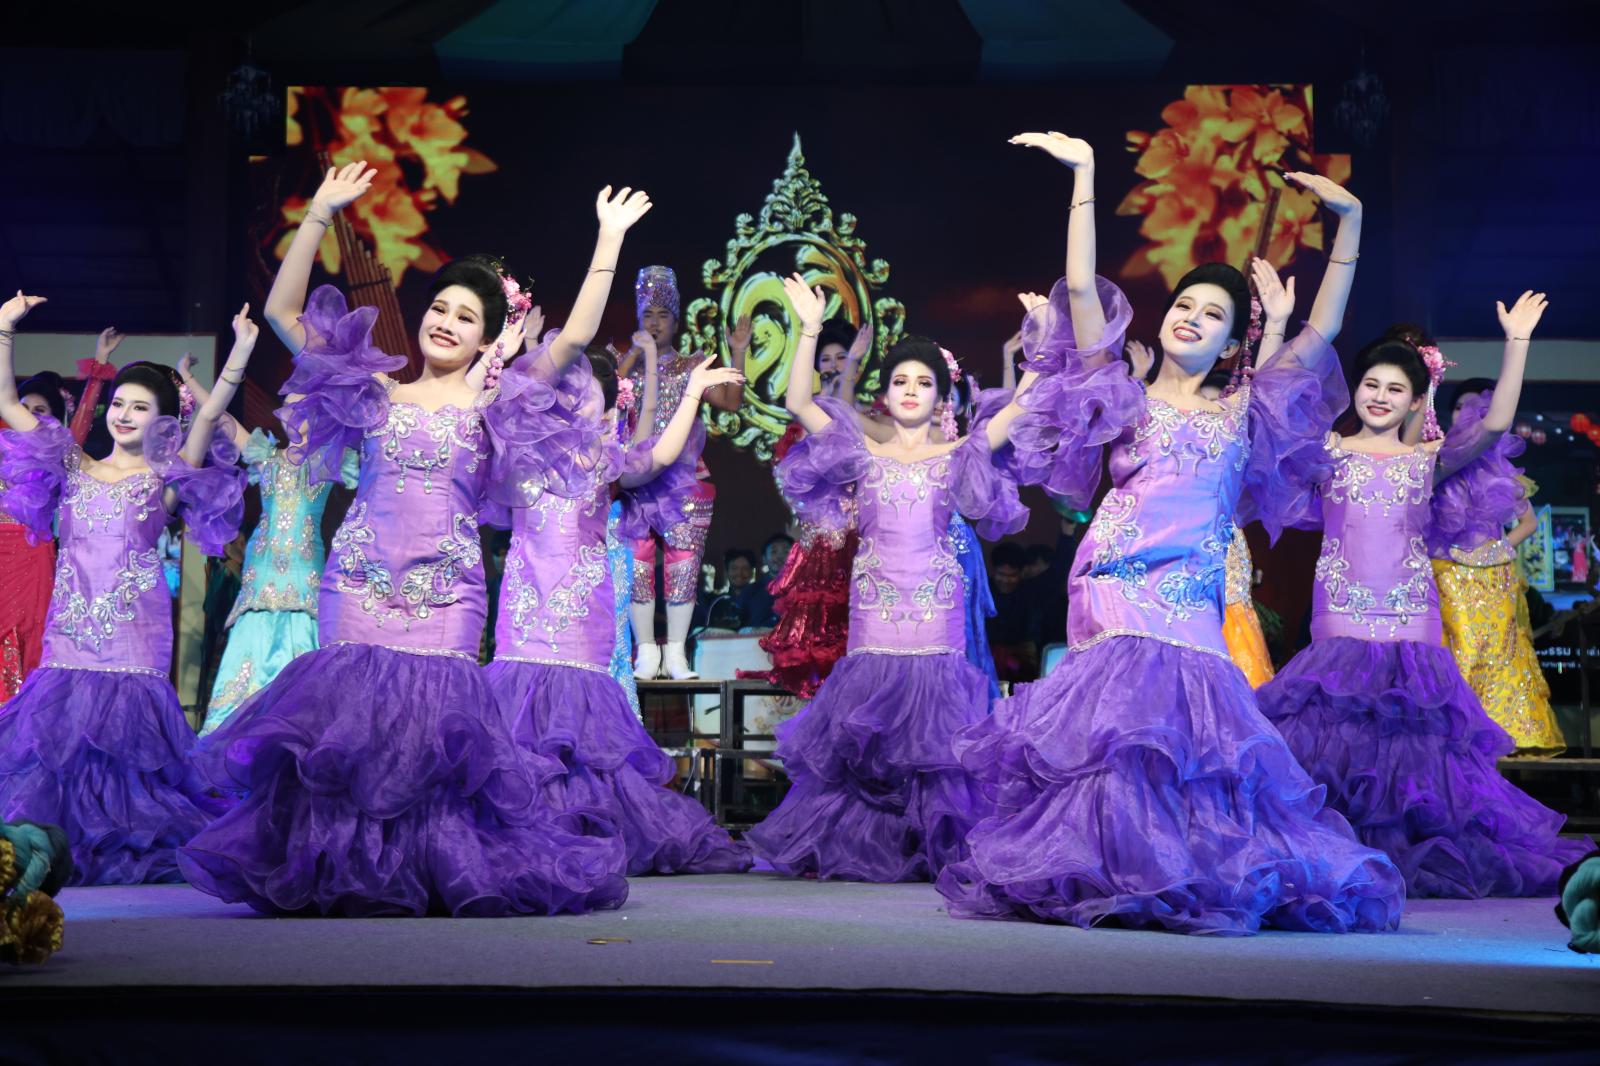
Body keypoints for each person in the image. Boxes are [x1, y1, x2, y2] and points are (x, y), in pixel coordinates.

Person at [938, 131, 1403, 934]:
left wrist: (1351, 222)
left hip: (1191, 600)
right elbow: (1079, 288)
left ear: (1234, 341)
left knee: (1186, 742)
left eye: (1213, 314)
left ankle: (1169, 869)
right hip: (1116, 585)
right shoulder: (1121, 391)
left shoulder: (1249, 408)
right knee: (1116, 735)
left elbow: (1323, 328)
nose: (1193, 318)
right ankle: (1108, 867)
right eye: (1186, 305)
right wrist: (1085, 175)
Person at [178, 164, 628, 917]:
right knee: (349, 736)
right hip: (356, 583)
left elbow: (577, 336)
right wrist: (319, 212)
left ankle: (425, 869)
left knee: (430, 739)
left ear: (487, 338)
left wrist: (608, 238)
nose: (446, 322)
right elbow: (285, 311)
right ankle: (339, 866)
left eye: (466, 317)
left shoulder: (498, 403)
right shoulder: (374, 391)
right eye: (440, 307)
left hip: (446, 593)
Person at [1258, 299, 1592, 897]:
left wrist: (1517, 342)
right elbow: (1267, 409)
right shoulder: (1328, 452)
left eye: (1396, 389)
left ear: (1417, 401)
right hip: (1341, 611)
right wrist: (1278, 328)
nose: (1380, 396)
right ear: (1355, 390)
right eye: (1371, 384)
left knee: (1412, 746)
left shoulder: (1426, 460)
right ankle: (1342, 853)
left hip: (1411, 613)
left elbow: (1495, 425)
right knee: (1339, 741)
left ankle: (1408, 858)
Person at [481, 198, 751, 875]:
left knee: (582, 731)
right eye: (570, 388)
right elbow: (499, 400)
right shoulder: (521, 452)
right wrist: (510, 349)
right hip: (523, 619)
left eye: (593, 391)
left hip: (583, 616)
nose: (579, 397)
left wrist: (693, 388)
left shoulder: (608, 461)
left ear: (610, 405)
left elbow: (661, 456)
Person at [745, 273, 1030, 882]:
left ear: (941, 397)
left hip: (935, 612)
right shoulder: (860, 453)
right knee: (866, 742)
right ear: (885, 392)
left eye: (923, 382)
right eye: (900, 380)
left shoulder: (959, 454)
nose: (910, 390)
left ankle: (929, 845)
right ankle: (864, 846)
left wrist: (1043, 344)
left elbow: (1021, 409)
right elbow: (800, 404)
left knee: (935, 743)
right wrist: (809, 329)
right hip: (874, 613)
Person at [0, 293, 248, 883]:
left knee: (131, 769)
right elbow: (7, 403)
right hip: (69, 642)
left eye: (140, 407)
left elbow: (208, 417)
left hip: (134, 643)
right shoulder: (71, 462)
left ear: (162, 421)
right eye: (118, 403)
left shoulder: (165, 478)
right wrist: (4, 329)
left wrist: (240, 353)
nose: (124, 414)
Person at [180, 356, 360, 735]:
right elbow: (222, 419)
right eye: (288, 408)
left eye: (302, 408)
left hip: (303, 573)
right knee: (251, 638)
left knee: (303, 644)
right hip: (260, 572)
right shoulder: (267, 456)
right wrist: (188, 379)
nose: (293, 416)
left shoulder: (328, 461)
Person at [1427, 370, 1565, 755]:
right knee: (1458, 650)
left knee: (1497, 650)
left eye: (1478, 408)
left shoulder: (1501, 468)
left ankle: (1499, 733)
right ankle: (1454, 733)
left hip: (1492, 576)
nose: (1467, 415)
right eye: (1460, 407)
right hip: (1446, 572)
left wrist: (1497, 550)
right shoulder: (1437, 458)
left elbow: (1528, 523)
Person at [623, 268, 745, 679]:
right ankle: (645, 652)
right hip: (635, 481)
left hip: (685, 480)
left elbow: (730, 402)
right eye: (647, 314)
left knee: (684, 564)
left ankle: (676, 654)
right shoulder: (625, 365)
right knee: (637, 564)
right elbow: (604, 395)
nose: (654, 323)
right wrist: (633, 355)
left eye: (663, 315)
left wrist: (738, 352)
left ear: (676, 322)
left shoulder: (691, 366)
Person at [0, 329, 120, 700]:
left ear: (53, 420)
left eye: (40, 411)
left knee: (27, 635)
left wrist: (98, 368)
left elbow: (80, 426)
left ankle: (19, 715)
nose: (29, 417)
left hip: (31, 556)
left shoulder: (57, 455)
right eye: (24, 408)